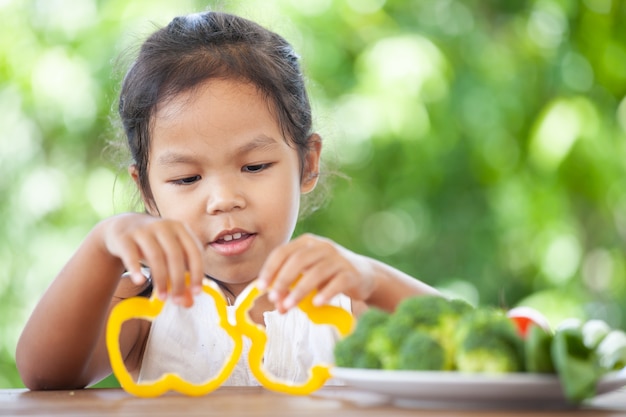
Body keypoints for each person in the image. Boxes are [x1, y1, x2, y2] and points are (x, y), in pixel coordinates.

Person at [16, 10, 438, 390]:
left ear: (308, 163)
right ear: (146, 191)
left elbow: (479, 348)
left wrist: (374, 279)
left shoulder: (346, 302)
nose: (223, 200)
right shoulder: (143, 307)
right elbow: (45, 375)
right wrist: (101, 245)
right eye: (186, 178)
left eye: (253, 167)